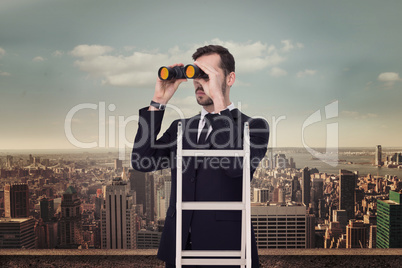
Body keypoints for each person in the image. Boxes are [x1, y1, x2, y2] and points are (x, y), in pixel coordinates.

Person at [132, 45, 269, 268]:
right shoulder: (181, 128)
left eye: (207, 75)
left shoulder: (254, 127)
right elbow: (142, 160)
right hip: (179, 250)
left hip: (229, 250)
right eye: (196, 74)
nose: (199, 82)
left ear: (230, 78)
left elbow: (235, 167)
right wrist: (159, 100)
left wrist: (219, 101)